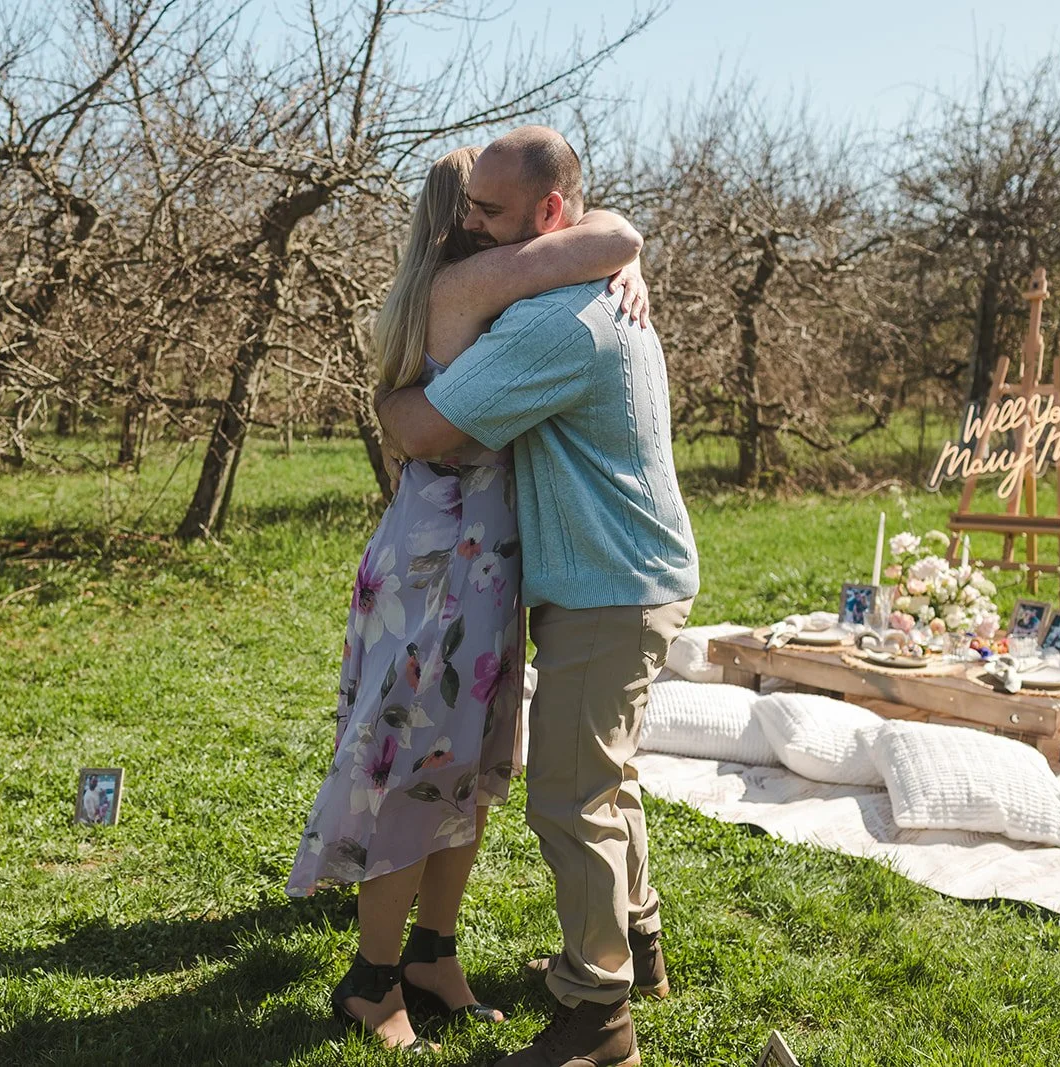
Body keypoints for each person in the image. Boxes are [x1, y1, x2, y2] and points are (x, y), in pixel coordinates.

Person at [286, 142, 651, 1055]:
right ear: (459, 224)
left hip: (489, 564)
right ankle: (371, 983)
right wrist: (616, 247)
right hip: (441, 566)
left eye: (498, 210)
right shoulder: (465, 293)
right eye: (474, 210)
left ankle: (432, 957)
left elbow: (602, 232)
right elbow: (427, 431)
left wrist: (625, 251)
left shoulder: (503, 287)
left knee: (471, 770)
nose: (482, 226)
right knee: (413, 766)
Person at [379, 126, 698, 1067]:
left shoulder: (557, 323)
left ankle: (597, 1017)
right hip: (632, 576)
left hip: (606, 587)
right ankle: (635, 945)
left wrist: (388, 405)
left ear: (551, 214)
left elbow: (431, 431)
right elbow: (606, 234)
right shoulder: (585, 284)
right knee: (609, 774)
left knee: (569, 795)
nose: (468, 226)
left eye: (487, 212)